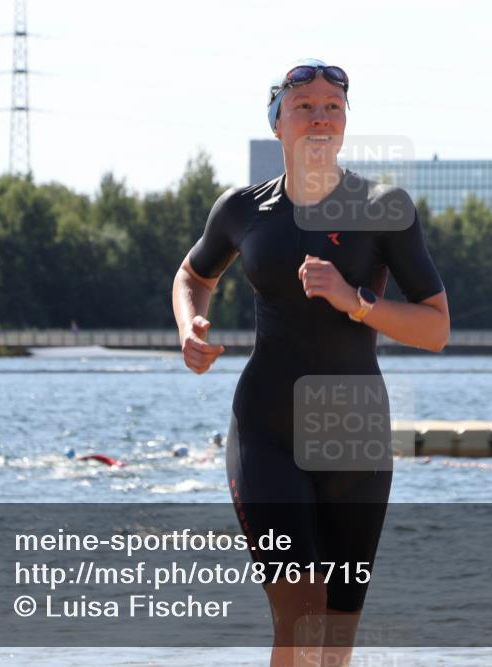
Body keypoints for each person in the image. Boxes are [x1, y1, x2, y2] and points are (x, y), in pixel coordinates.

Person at [172, 59, 449, 667]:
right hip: (267, 431)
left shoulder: (384, 207)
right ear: (277, 123)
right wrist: (190, 325)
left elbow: (435, 328)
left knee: (337, 632)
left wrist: (356, 301)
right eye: (304, 107)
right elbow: (193, 275)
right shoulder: (241, 209)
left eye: (333, 107)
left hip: (355, 435)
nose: (320, 118)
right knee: (301, 613)